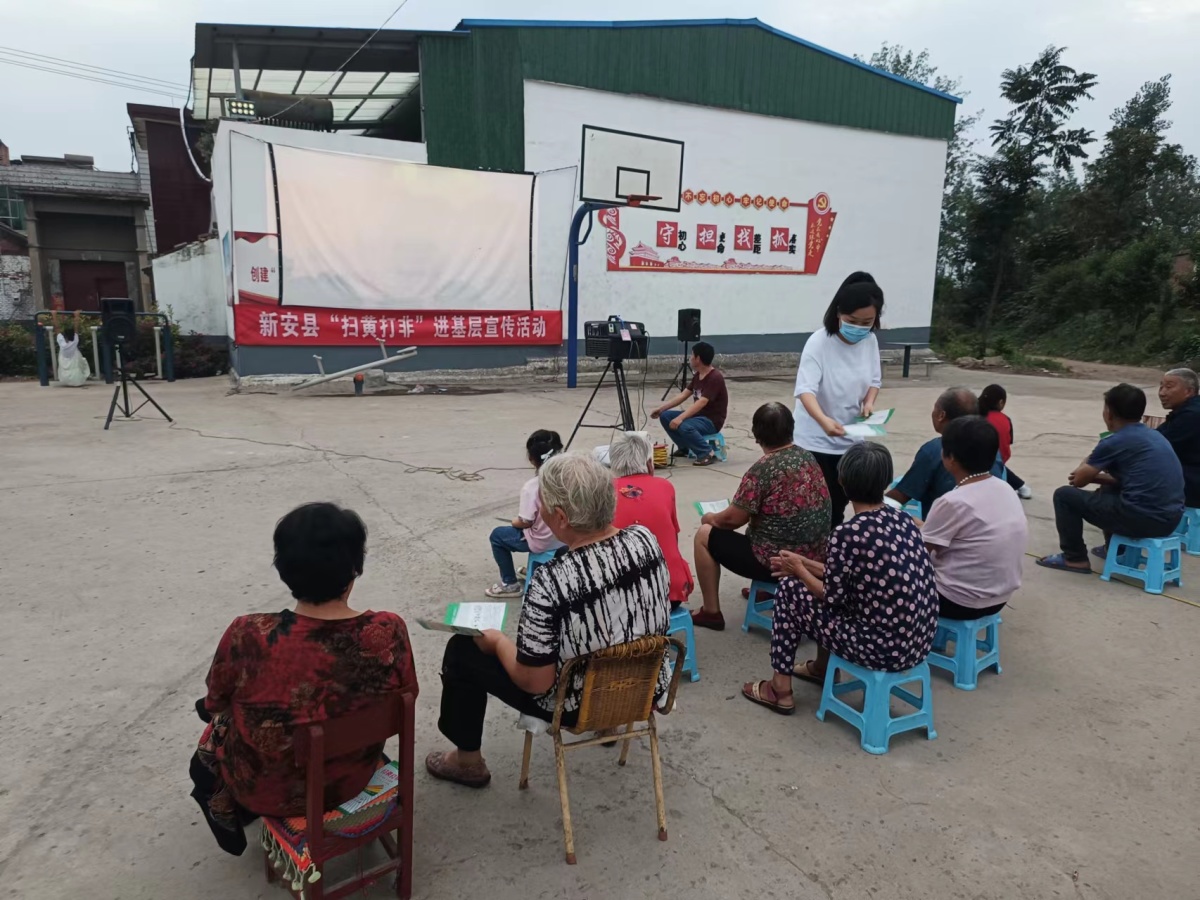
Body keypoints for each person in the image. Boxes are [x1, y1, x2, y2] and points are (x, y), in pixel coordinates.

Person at [425, 454, 670, 787]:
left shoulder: (551, 580)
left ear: (561, 517)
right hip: (647, 688)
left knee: (462, 649)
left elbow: (535, 682)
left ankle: (467, 762)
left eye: (542, 505)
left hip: (575, 704)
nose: (537, 511)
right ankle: (609, 720)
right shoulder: (645, 539)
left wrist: (498, 642)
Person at [190, 502, 418, 855]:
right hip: (350, 779)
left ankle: (233, 813)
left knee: (214, 721)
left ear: (284, 568)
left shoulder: (248, 633)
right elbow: (406, 700)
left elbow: (215, 702)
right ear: (355, 567)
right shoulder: (388, 629)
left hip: (265, 790)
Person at [741, 442, 938, 714]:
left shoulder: (847, 534)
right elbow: (849, 577)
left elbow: (832, 596)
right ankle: (821, 668)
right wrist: (803, 563)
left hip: (881, 650)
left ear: (841, 481)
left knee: (788, 589)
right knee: (805, 585)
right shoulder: (904, 520)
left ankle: (780, 689)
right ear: (887, 481)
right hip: (918, 643)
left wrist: (798, 571)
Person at [691, 402, 830, 631]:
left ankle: (711, 611)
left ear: (757, 435)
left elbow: (732, 520)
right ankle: (767, 589)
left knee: (704, 534)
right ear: (791, 428)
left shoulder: (762, 470)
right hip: (814, 558)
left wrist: (710, 518)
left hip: (776, 562)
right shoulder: (808, 457)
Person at [1037, 383, 1184, 574]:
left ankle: (1075, 558)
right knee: (1110, 489)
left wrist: (1096, 454)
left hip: (1142, 519)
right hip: (1170, 520)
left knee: (1064, 495)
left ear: (1109, 413)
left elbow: (1078, 481)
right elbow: (1133, 480)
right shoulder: (1153, 435)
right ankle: (1116, 550)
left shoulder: (1114, 441)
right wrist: (1099, 477)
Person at [793, 273, 884, 527]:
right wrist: (823, 420)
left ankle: (832, 549)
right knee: (814, 508)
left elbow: (874, 381)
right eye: (852, 321)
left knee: (839, 506)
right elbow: (805, 390)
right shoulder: (819, 342)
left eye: (867, 322)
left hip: (851, 440)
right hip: (815, 441)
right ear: (838, 313)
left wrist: (869, 403)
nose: (859, 328)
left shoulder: (870, 341)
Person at [922, 417, 1028, 619]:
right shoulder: (1004, 488)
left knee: (888, 566)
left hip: (957, 601)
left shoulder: (952, 502)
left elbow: (920, 551)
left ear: (950, 458)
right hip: (999, 598)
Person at [887, 387, 1005, 519]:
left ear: (941, 415)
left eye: (935, 408)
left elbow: (899, 497)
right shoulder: (992, 449)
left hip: (944, 528)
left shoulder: (936, 449)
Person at [609, 429, 694, 607]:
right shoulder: (665, 486)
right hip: (670, 594)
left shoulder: (604, 490)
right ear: (649, 463)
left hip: (621, 602)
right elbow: (672, 539)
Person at [485, 430, 565, 597]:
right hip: (567, 538)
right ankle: (533, 568)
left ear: (531, 459)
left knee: (497, 536)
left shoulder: (532, 487)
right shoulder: (572, 478)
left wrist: (515, 522)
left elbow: (526, 522)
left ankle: (510, 584)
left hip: (543, 541)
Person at [650, 340, 728, 467]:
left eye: (692, 355)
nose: (690, 358)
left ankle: (706, 453)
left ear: (698, 358)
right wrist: (661, 409)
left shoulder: (715, 377)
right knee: (665, 416)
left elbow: (702, 402)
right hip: (698, 417)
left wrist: (680, 418)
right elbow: (683, 395)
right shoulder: (698, 375)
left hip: (710, 421)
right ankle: (685, 447)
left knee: (683, 425)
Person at [979, 383, 1033, 500]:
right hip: (997, 461)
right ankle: (1020, 486)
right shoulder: (1005, 420)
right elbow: (1006, 447)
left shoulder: (973, 416)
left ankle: (1019, 485)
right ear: (1001, 403)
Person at [1156, 367, 1200, 509]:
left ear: (1189, 391)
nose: (1162, 393)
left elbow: (1155, 445)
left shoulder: (1191, 415)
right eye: (1161, 387)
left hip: (1191, 487)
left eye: (1169, 387)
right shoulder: (1184, 412)